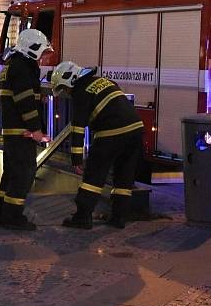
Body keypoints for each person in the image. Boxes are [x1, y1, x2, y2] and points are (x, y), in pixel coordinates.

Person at [51, 61, 144, 230]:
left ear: (70, 80)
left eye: (65, 88)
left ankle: (82, 217)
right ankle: (118, 217)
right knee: (124, 176)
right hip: (136, 129)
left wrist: (76, 159)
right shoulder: (104, 81)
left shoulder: (81, 91)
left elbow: (78, 127)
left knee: (93, 177)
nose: (67, 93)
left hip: (112, 132)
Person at [0, 29, 51, 230]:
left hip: (13, 130)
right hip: (21, 131)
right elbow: (25, 101)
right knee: (24, 173)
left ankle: (3, 212)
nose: (43, 58)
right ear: (32, 49)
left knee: (11, 172)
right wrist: (36, 130)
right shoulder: (23, 67)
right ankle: (13, 217)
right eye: (42, 52)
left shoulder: (14, 64)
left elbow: (22, 95)